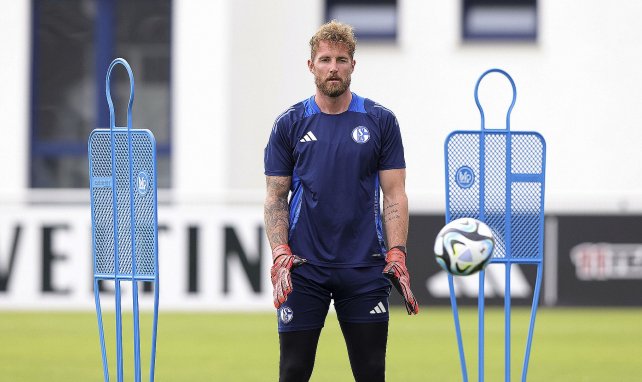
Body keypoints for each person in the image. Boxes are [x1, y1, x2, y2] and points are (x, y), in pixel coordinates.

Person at [263, 20, 419, 382]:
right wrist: (279, 252)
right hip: (303, 268)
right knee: (293, 371)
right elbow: (275, 197)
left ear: (353, 65)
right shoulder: (289, 123)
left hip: (365, 268)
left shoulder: (380, 121)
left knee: (370, 373)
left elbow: (394, 193)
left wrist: (397, 252)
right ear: (311, 66)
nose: (333, 67)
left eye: (341, 59)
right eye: (325, 59)